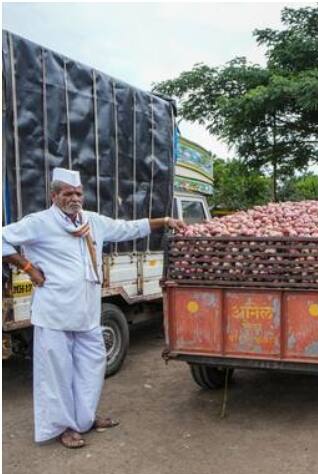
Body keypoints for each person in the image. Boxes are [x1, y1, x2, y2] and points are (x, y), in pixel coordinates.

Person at [2, 168, 186, 449]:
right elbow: (3, 238)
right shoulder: (39, 223)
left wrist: (165, 221)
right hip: (55, 312)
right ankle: (62, 427)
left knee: (93, 363)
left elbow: (128, 227)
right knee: (57, 372)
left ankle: (84, 418)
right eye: (67, 193)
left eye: (78, 193)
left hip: (88, 310)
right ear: (55, 196)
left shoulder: (92, 222)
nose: (74, 198)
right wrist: (28, 268)